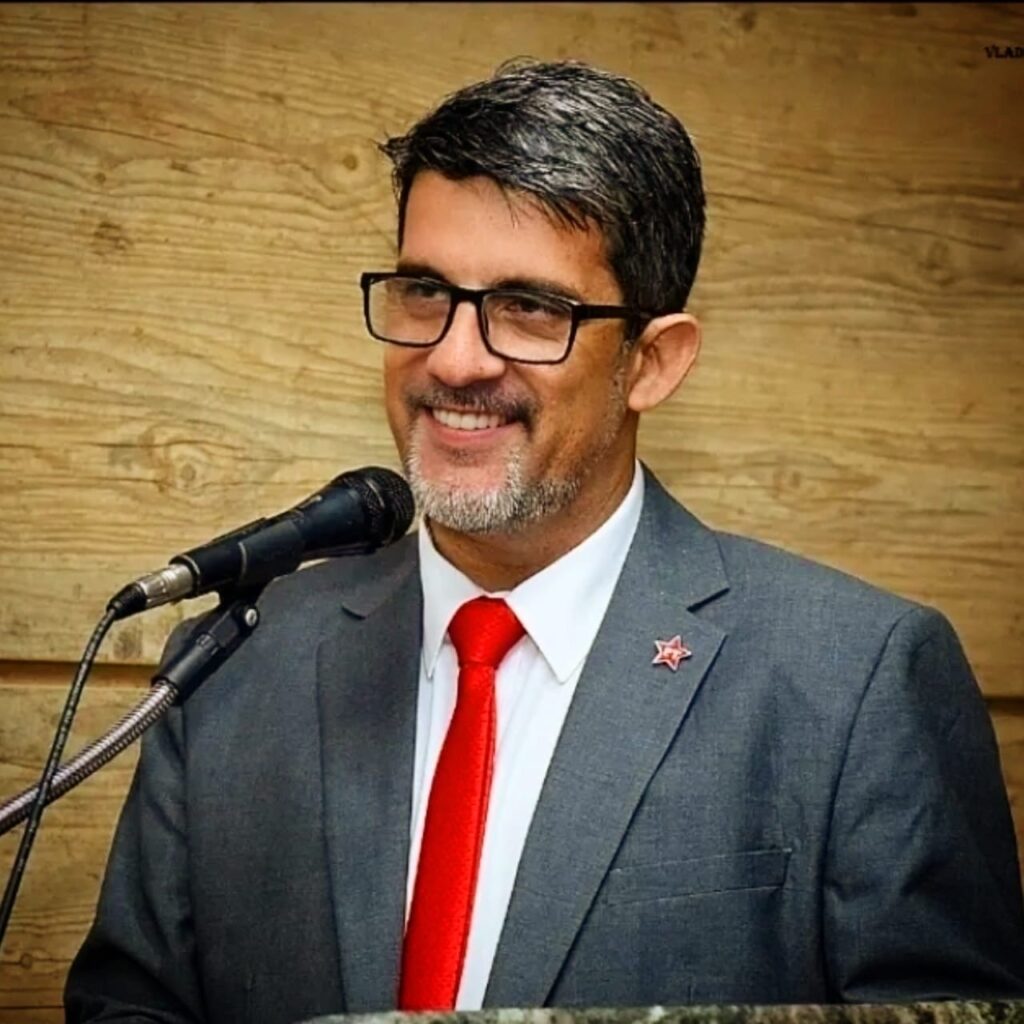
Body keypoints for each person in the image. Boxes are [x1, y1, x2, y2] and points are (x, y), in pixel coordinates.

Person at [65, 59, 1024, 1023]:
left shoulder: (856, 681)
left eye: (529, 308)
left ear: (652, 362)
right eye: (424, 291)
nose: (453, 359)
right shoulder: (235, 661)